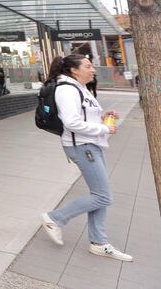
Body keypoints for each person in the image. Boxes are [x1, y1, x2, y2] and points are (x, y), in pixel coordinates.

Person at [39, 55, 132, 261]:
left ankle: (99, 242)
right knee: (103, 196)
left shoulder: (80, 88)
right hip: (82, 147)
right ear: (74, 70)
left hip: (91, 145)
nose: (93, 70)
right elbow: (71, 122)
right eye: (88, 66)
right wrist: (103, 128)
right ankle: (55, 218)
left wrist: (103, 116)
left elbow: (82, 116)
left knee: (99, 195)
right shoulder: (67, 89)